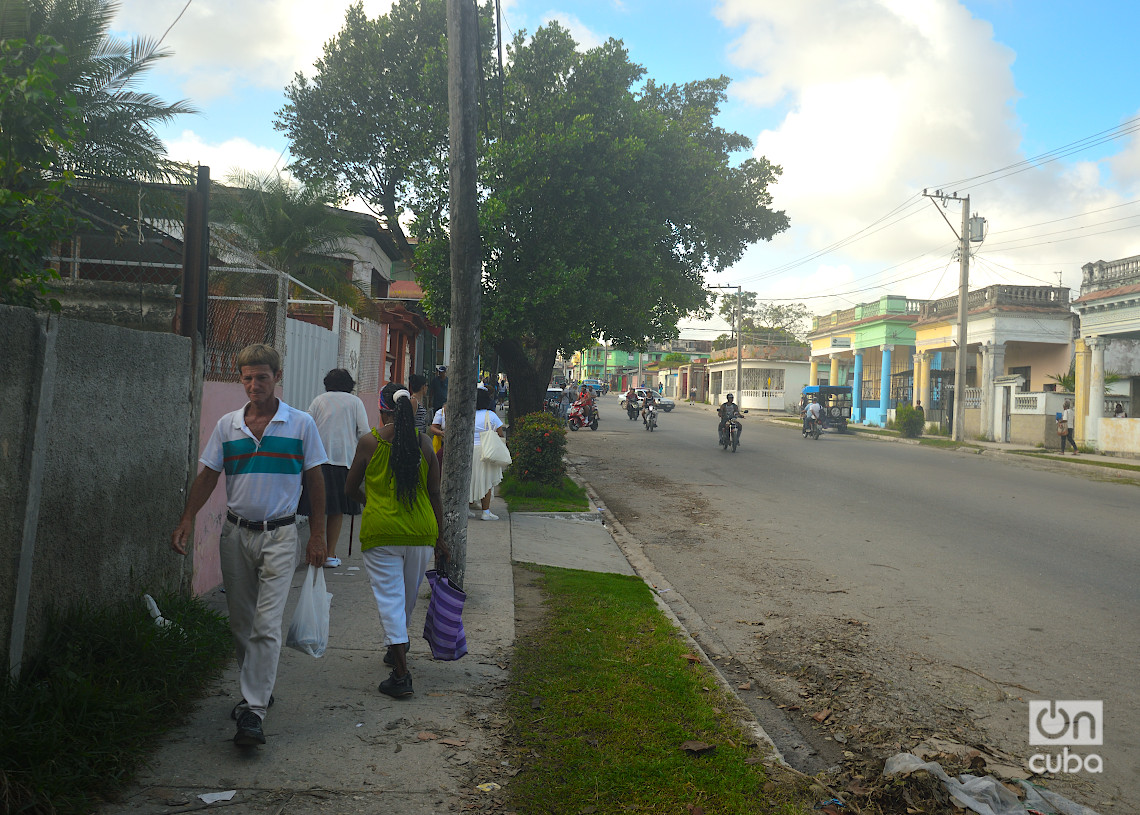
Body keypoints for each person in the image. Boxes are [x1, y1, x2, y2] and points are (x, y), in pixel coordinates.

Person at [170, 343, 328, 747]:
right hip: (236, 535)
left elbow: (316, 481)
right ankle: (258, 687)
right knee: (241, 624)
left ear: (277, 376)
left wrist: (319, 535)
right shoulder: (228, 426)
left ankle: (253, 711)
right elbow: (207, 476)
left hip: (280, 534)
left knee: (266, 624)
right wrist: (188, 517)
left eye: (261, 376)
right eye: (246, 378)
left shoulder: (301, 424)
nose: (254, 384)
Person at [345, 382, 445, 699]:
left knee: (390, 599)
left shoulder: (368, 443)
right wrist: (442, 539)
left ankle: (401, 674)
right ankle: (396, 647)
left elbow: (348, 489)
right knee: (405, 598)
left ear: (382, 410)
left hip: (381, 533)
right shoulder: (425, 445)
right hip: (421, 532)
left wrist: (372, 502)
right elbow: (434, 494)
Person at [301, 368, 370, 568]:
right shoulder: (355, 402)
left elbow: (307, 425)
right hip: (344, 461)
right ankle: (330, 553)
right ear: (349, 384)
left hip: (317, 460)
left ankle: (314, 551)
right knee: (337, 509)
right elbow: (364, 432)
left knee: (317, 506)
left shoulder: (319, 400)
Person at [471, 385, 507, 520]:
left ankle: (468, 507)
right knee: (486, 482)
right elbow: (500, 433)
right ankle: (485, 512)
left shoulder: (468, 414)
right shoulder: (490, 415)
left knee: (469, 480)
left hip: (469, 451)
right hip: (486, 452)